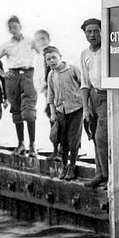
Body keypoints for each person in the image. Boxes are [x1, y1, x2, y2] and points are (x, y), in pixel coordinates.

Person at [0, 15, 42, 157]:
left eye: (16, 26)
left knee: (29, 111)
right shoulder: (6, 45)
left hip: (28, 75)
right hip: (12, 77)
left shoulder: (30, 41)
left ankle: (32, 145)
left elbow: (42, 53)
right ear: (9, 29)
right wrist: (3, 73)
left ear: (20, 26)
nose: (14, 29)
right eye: (11, 27)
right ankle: (21, 144)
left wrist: (39, 74)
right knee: (16, 111)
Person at [79, 18, 119, 189]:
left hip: (110, 95)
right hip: (92, 95)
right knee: (95, 138)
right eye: (88, 32)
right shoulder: (84, 54)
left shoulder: (110, 50)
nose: (92, 35)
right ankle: (100, 173)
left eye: (96, 31)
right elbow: (84, 82)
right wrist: (85, 107)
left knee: (103, 137)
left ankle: (110, 176)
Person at [44, 46, 84, 181]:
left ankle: (72, 167)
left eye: (54, 57)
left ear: (60, 56)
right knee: (62, 140)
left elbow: (84, 86)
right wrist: (53, 113)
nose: (52, 61)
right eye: (48, 59)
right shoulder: (51, 74)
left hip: (76, 109)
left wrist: (86, 107)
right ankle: (64, 166)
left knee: (74, 140)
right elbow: (50, 94)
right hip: (61, 110)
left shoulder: (72, 70)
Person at [34, 30, 58, 159]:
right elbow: (37, 76)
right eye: (38, 40)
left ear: (48, 39)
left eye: (43, 39)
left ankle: (62, 151)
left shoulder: (53, 54)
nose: (41, 42)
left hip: (58, 93)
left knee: (61, 121)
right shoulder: (38, 57)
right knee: (51, 118)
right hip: (47, 93)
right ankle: (55, 150)